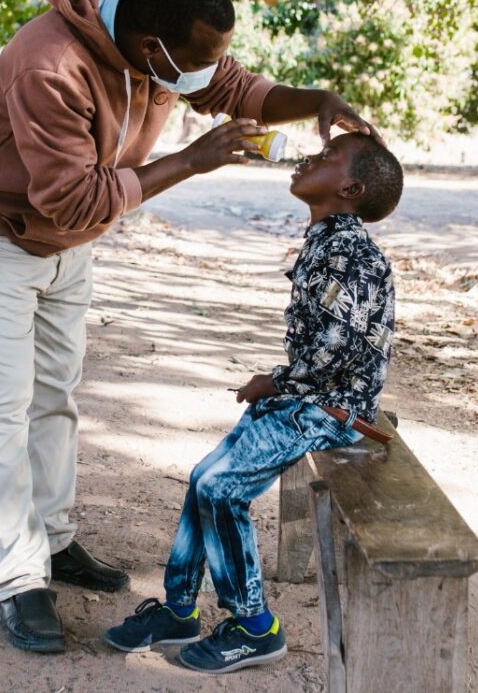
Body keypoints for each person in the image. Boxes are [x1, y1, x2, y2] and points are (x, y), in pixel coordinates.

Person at [0, 0, 380, 655]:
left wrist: (314, 100)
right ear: (148, 49)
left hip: (67, 241)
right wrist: (192, 161)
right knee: (3, 410)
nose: (206, 75)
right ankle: (18, 577)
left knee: (55, 396)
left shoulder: (160, 28)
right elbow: (73, 200)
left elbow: (230, 85)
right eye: (193, 62)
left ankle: (54, 537)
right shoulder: (51, 66)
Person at [103, 132, 403, 674]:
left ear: (351, 187)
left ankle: (254, 626)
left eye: (328, 157)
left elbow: (344, 347)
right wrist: (282, 384)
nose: (310, 157)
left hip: (332, 413)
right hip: (308, 400)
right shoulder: (327, 238)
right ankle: (177, 611)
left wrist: (277, 381)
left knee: (223, 488)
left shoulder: (351, 252)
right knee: (203, 478)